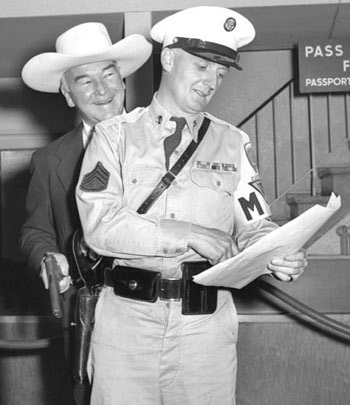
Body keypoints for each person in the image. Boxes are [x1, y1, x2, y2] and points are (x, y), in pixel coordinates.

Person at [76, 7, 307, 405]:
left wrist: (278, 251)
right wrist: (192, 235)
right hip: (127, 328)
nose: (211, 82)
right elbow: (100, 226)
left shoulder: (233, 143)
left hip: (205, 330)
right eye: (201, 66)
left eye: (220, 72)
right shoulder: (113, 137)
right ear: (168, 58)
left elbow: (255, 222)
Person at [20, 21, 152, 404]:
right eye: (85, 81)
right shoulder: (48, 161)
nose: (103, 90)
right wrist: (47, 255)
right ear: (67, 93)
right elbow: (35, 229)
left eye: (109, 75)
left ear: (124, 80)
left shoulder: (167, 141)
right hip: (90, 317)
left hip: (163, 313)